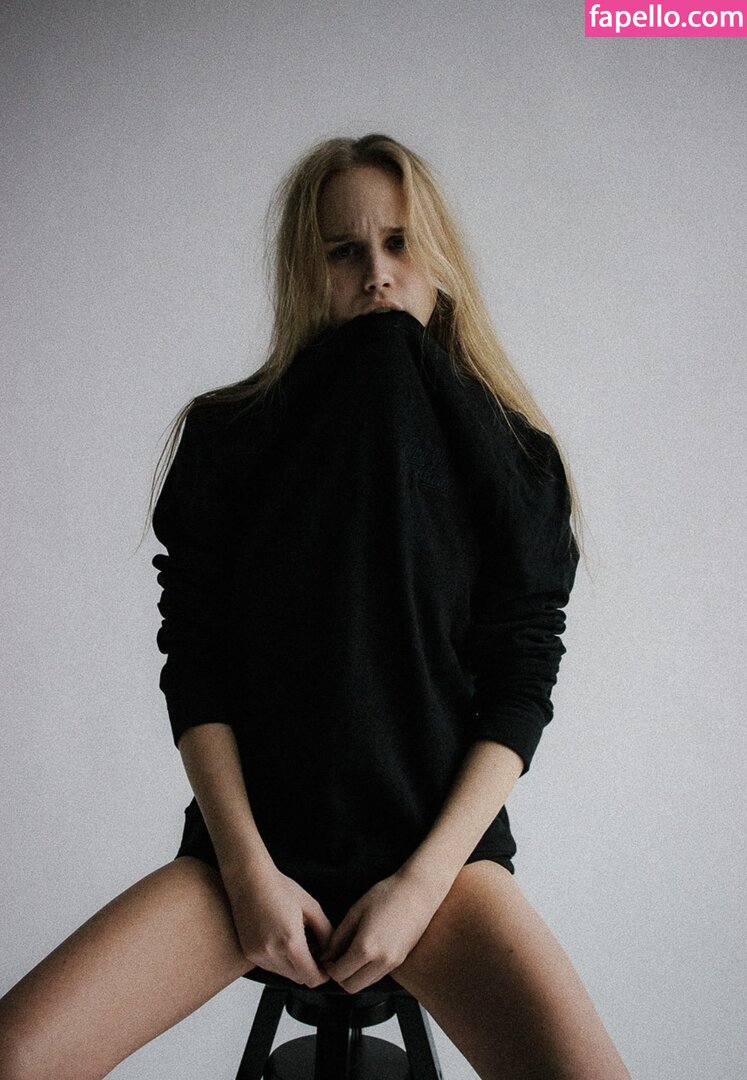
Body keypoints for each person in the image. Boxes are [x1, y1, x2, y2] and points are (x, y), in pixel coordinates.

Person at [0, 134, 630, 1080]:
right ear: (305, 271)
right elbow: (197, 666)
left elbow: (519, 686)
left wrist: (419, 886)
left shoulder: (512, 457)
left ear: (438, 257)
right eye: (343, 251)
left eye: (398, 242)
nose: (376, 274)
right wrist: (246, 872)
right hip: (245, 865)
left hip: (440, 870)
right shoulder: (228, 436)